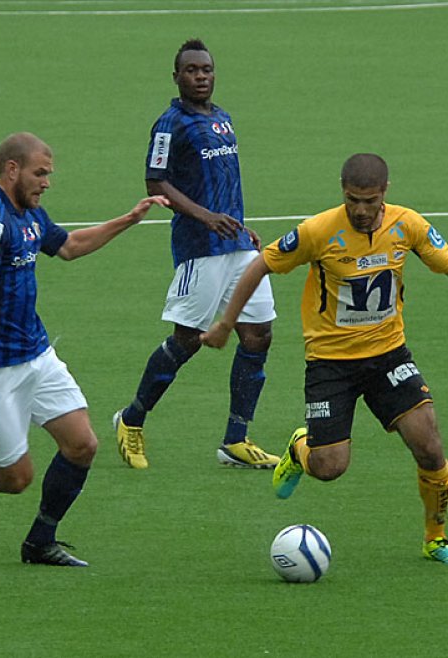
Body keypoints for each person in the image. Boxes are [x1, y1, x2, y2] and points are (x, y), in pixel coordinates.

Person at [201, 153, 448, 565]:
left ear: (384, 195)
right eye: (352, 199)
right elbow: (260, 265)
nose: (360, 209)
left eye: (369, 201)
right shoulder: (319, 231)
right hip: (330, 364)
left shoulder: (406, 224)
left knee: (429, 446)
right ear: (343, 191)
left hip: (389, 356)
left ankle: (436, 538)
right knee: (329, 467)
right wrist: (226, 324)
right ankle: (301, 447)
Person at [0, 132, 168, 567]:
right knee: (13, 479)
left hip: (36, 356)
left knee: (82, 445)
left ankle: (40, 542)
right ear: (12, 170)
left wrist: (129, 219)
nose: (46, 182)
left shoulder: (30, 215)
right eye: (40, 173)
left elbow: (71, 247)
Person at [114, 38, 279, 470]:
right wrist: (207, 218)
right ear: (177, 77)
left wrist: (239, 224)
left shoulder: (223, 119)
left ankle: (235, 440)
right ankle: (131, 421)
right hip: (199, 249)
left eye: (206, 69)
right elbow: (156, 182)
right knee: (187, 341)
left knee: (259, 333)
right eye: (192, 70)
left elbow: (225, 184)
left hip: (237, 244)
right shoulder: (171, 124)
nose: (201, 76)